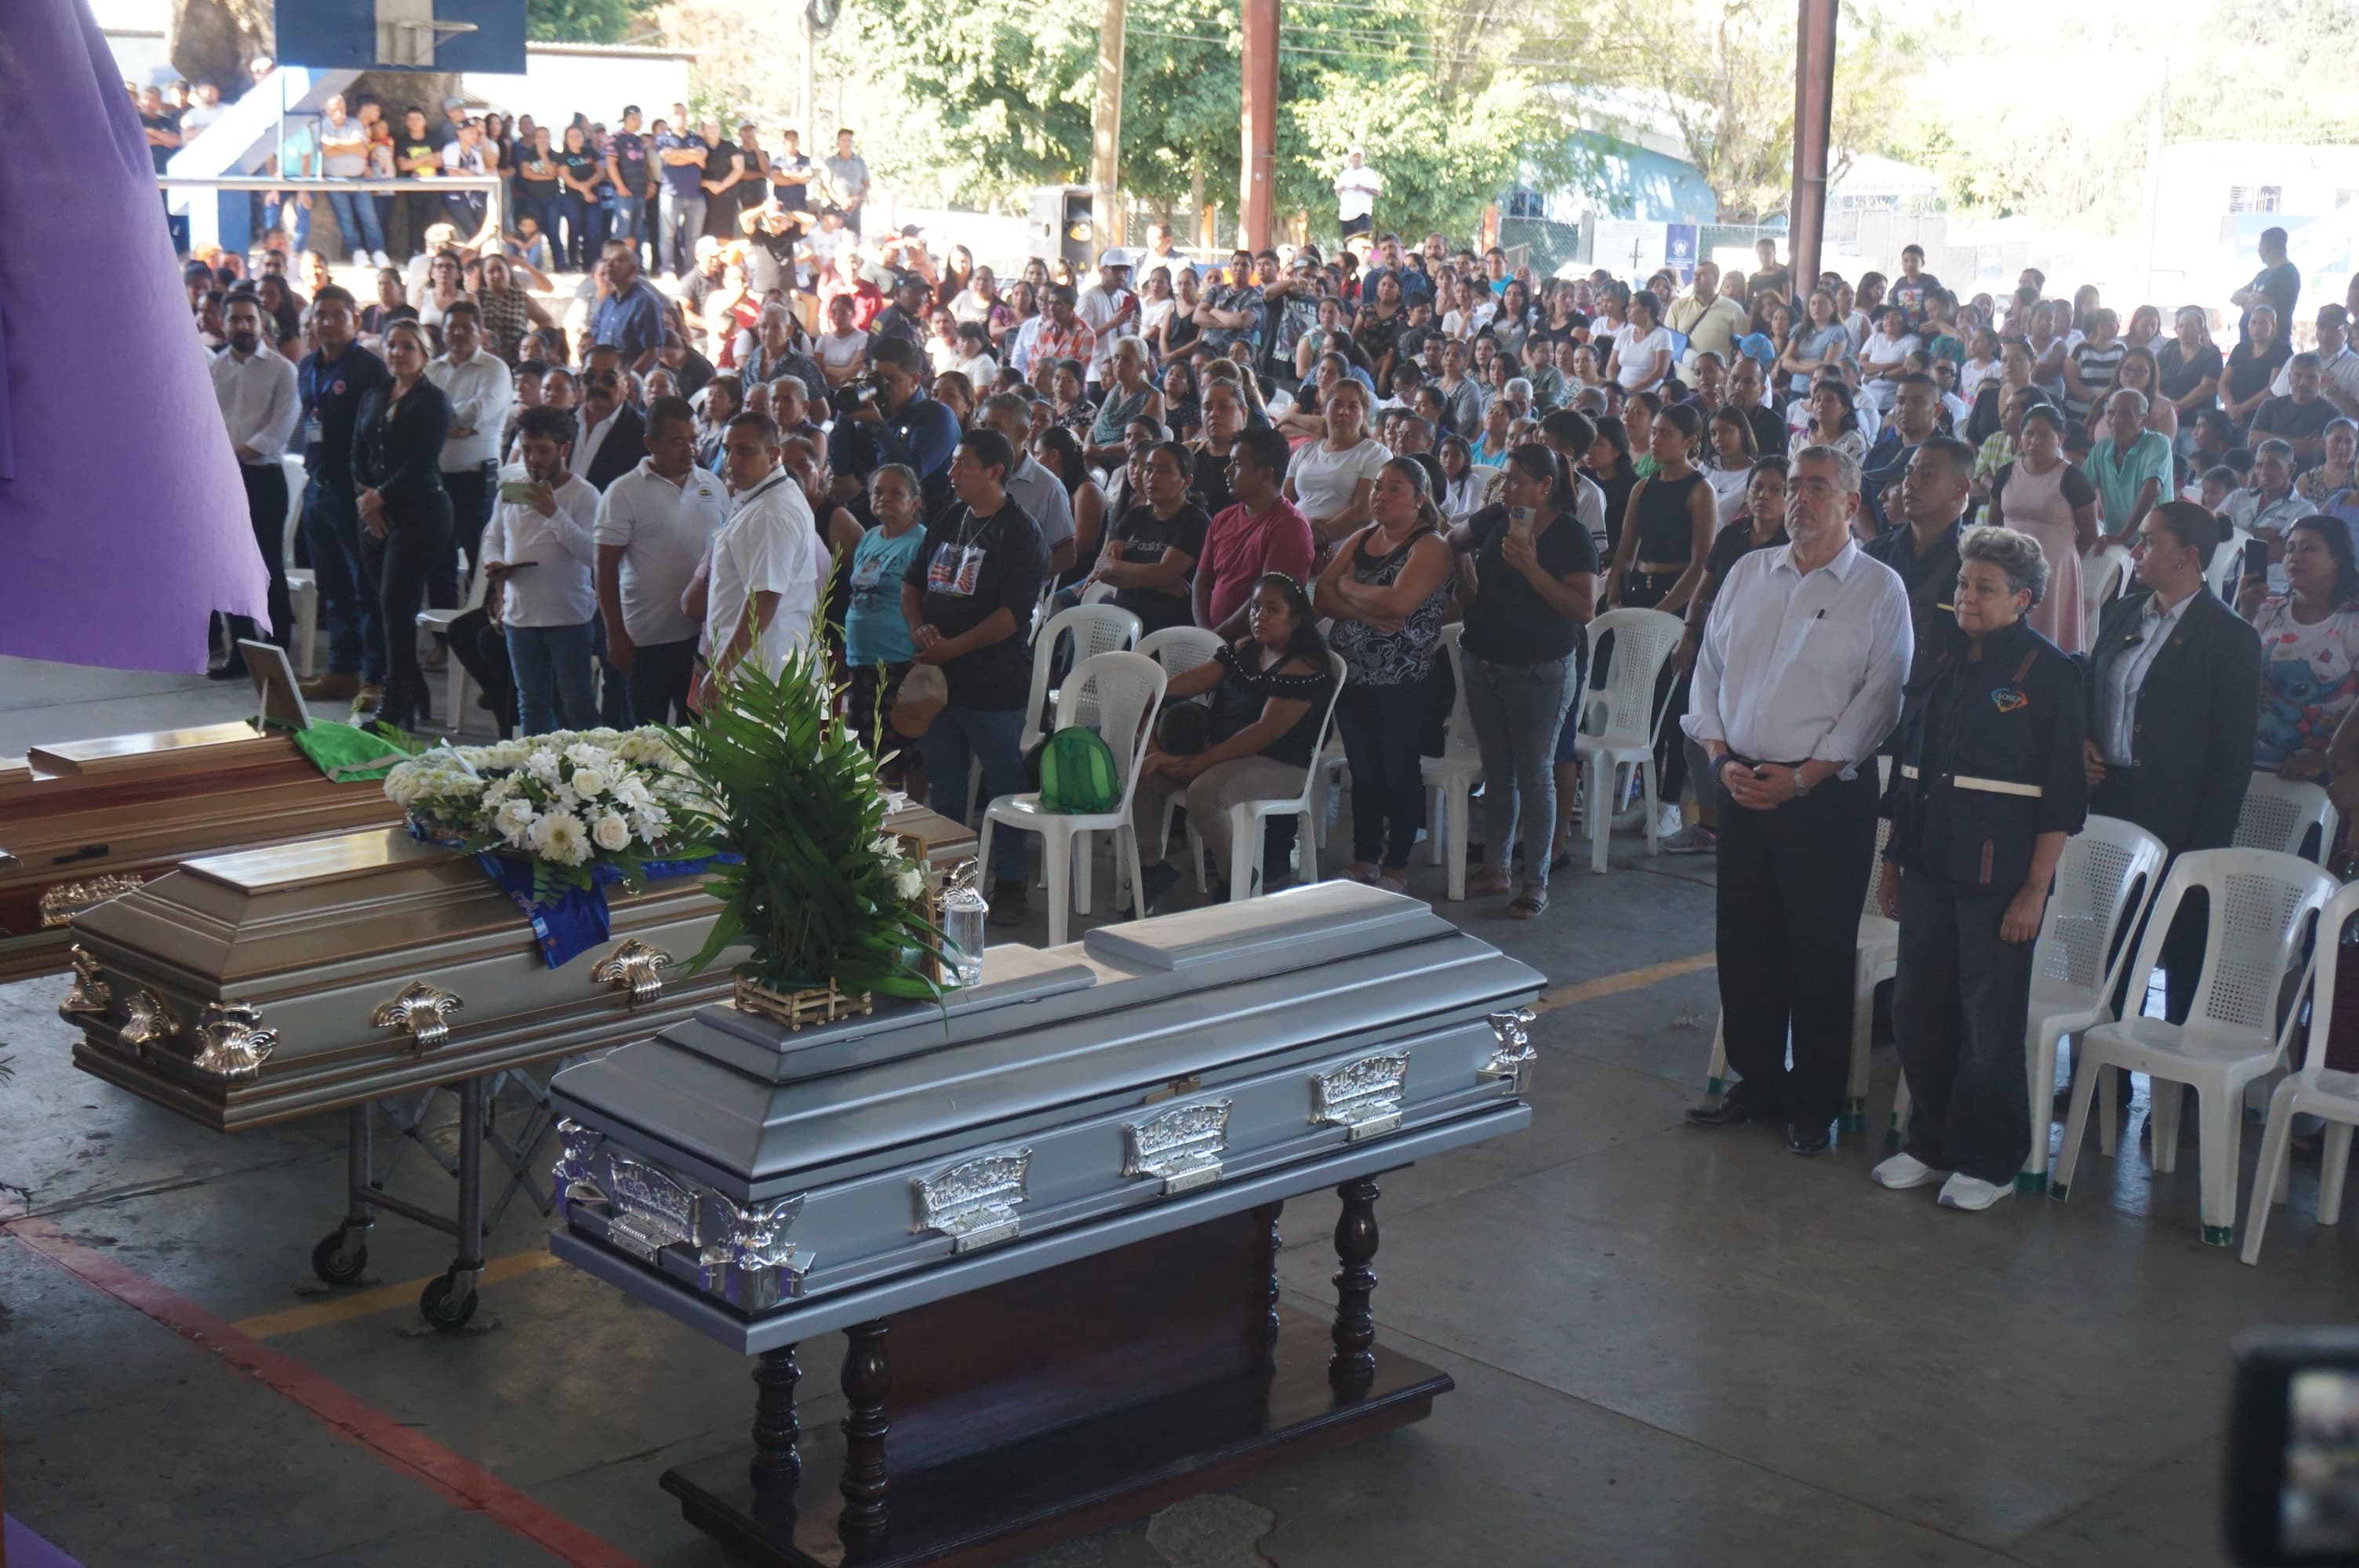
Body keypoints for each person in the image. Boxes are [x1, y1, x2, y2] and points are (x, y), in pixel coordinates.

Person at [1681, 444, 1913, 1156]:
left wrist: (1806, 775)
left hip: (1825, 798)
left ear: (1851, 503)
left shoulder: (1878, 589)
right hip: (1742, 784)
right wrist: (1719, 757)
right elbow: (1708, 675)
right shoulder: (1751, 572)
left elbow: (1881, 701)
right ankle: (1757, 1085)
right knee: (1746, 945)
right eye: (1791, 489)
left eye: (1818, 488)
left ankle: (1814, 1103)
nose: (1799, 500)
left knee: (1818, 953)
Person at [1874, 525, 2088, 1210]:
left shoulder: (2048, 674)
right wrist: (1892, 863)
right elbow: (1909, 773)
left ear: (2022, 599)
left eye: (1984, 588)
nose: (1967, 596)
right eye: (1964, 584)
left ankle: (1990, 1160)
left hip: (1999, 879)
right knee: (1918, 1008)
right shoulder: (1941, 660)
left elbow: (2061, 798)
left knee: (1987, 1019)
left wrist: (2035, 890)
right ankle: (1931, 1145)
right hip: (1930, 860)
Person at [2084, 501, 2260, 1025]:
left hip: (2177, 811)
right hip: (2108, 797)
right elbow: (2089, 685)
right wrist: (2082, 739)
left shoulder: (2229, 637)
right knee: (2107, 933)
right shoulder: (2123, 611)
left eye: (2148, 540)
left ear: (2186, 556)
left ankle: (2178, 1084)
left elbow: (2233, 753)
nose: (2135, 550)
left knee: (2180, 938)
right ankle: (2101, 1060)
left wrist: (2208, 842)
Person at [900, 430, 1050, 924]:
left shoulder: (1020, 533)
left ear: (995, 471)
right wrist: (919, 628)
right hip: (940, 682)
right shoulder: (951, 517)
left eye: (963, 464)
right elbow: (912, 585)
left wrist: (953, 648)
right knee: (945, 783)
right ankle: (948, 879)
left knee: (1002, 785)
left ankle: (1010, 883)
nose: (951, 473)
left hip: (992, 682)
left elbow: (1012, 614)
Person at [1448, 443, 1600, 916]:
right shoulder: (1497, 518)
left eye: (1516, 479)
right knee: (1498, 772)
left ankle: (1535, 879)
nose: (1506, 487)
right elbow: (1452, 539)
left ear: (1545, 486)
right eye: (1504, 477)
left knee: (1536, 775)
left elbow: (1582, 609)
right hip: (1485, 659)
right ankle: (1496, 868)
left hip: (1541, 669)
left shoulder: (1571, 536)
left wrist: (1531, 568)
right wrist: (1466, 580)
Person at [1133, 573, 1339, 907]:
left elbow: (1261, 734)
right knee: (1145, 773)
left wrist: (1195, 764)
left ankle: (1237, 878)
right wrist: (1154, 694)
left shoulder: (1304, 668)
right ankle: (1149, 865)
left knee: (1204, 794)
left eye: (1273, 609)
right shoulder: (1245, 649)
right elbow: (1202, 677)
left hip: (1280, 763)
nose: (1260, 616)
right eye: (1256, 607)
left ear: (1296, 619)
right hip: (1225, 751)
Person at [1314, 457, 1456, 891]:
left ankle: (1396, 864)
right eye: (1378, 487)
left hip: (1404, 682)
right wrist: (1364, 608)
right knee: (1364, 770)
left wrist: (1353, 589)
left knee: (1398, 770)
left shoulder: (1430, 545)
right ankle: (1365, 857)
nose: (1382, 496)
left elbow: (1398, 604)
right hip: (1354, 679)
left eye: (1395, 489)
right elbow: (1321, 595)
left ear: (1419, 499)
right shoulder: (1362, 537)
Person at [1667, 456, 1793, 855]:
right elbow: (1703, 591)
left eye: (1777, 489)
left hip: (1762, 658)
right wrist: (1689, 634)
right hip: (1716, 648)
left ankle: (1741, 829)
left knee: (1745, 741)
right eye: (1758, 487)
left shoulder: (1792, 545)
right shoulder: (1733, 535)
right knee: (1697, 736)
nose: (1765, 497)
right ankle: (1709, 826)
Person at [594, 395, 727, 725]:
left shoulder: (712, 485)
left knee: (694, 734)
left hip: (699, 638)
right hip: (644, 639)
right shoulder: (623, 492)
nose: (690, 450)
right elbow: (605, 568)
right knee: (644, 737)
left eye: (695, 440)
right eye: (677, 441)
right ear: (650, 443)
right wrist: (615, 634)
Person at [294, 286, 394, 709]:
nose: (329, 322)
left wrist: (372, 491)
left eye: (338, 315)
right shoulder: (306, 366)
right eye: (322, 315)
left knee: (366, 588)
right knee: (333, 587)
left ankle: (376, 676)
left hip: (355, 494)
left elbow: (378, 437)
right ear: (312, 321)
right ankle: (341, 669)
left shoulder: (369, 370)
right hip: (318, 489)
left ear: (354, 320)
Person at [351, 321, 453, 730]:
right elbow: (356, 452)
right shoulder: (374, 395)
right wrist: (368, 500)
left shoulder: (433, 401)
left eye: (407, 347)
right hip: (375, 512)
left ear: (424, 355)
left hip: (422, 512)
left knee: (397, 603)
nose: (397, 353)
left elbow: (423, 460)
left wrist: (383, 495)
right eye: (391, 345)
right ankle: (414, 691)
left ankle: (395, 705)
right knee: (387, 605)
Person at [478, 404, 601, 735]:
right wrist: (495, 563)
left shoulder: (583, 495)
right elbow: (493, 537)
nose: (533, 459)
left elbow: (592, 555)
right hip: (521, 615)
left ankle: (592, 775)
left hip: (568, 617)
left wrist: (554, 513)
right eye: (527, 449)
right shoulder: (513, 487)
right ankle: (537, 775)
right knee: (531, 703)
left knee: (576, 702)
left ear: (564, 449)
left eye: (543, 450)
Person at [699, 411, 824, 703]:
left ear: (773, 455)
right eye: (727, 450)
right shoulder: (767, 494)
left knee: (750, 750)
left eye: (745, 451)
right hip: (756, 664)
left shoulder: (771, 512)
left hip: (760, 673)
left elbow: (765, 597)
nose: (731, 461)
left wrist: (721, 670)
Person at [207, 293, 302, 675]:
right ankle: (242, 653)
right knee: (229, 566)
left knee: (266, 565)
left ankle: (276, 650)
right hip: (221, 481)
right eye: (236, 319)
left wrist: (237, 455)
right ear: (225, 323)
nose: (243, 326)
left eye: (250, 319)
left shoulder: (281, 369)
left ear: (262, 324)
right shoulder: (214, 369)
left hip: (262, 476)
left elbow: (280, 427)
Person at [2236, 514, 2359, 780]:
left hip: (2324, 769)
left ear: (2338, 557)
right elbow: (2229, 673)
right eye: (2290, 548)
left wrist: (2324, 758)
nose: (2295, 556)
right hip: (2249, 758)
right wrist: (2244, 613)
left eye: (2309, 549)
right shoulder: (2267, 609)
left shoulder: (2352, 622)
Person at [1985, 405, 2097, 654]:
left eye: (2044, 435)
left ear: (2061, 438)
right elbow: (1994, 524)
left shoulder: (2073, 479)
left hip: (2055, 571)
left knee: (2047, 636)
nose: (2034, 441)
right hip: (2009, 566)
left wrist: (2061, 562)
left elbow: (2090, 535)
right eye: (2029, 433)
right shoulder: (2006, 473)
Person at [423, 300, 511, 608]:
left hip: (476, 483)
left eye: (466, 327)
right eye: (452, 327)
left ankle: (483, 639)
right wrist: (451, 425)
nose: (458, 333)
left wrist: (439, 421)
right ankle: (440, 641)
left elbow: (478, 411)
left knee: (483, 562)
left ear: (480, 332)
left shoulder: (494, 369)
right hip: (436, 481)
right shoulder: (432, 369)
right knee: (439, 560)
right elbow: (418, 414)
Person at [1863, 435, 1975, 672]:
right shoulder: (1876, 553)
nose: (1910, 483)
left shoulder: (1975, 563)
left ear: (1961, 488)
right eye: (1908, 472)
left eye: (1926, 474)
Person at [1195, 426, 1316, 641]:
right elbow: (1202, 581)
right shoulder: (1223, 518)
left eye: (1238, 464)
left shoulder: (1289, 526)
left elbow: (1268, 603)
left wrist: (1217, 637)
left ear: (1266, 474)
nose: (1228, 470)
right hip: (1214, 639)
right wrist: (1205, 634)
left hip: (1258, 644)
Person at [844, 464, 929, 759]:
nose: (885, 498)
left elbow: (928, 598)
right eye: (878, 491)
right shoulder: (869, 538)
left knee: (904, 752)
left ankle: (911, 806)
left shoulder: (921, 541)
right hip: (861, 657)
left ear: (914, 502)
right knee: (867, 751)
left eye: (896, 493)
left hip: (899, 659)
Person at [1087, 441, 1207, 636]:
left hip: (1167, 630)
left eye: (1164, 471)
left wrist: (1115, 565)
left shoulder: (1195, 522)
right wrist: (1158, 583)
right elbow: (1104, 573)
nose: (1152, 477)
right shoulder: (1134, 517)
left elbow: (1163, 572)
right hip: (1122, 622)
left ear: (1187, 480)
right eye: (1148, 470)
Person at [1286, 376, 1390, 561]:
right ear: (1324, 410)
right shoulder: (1305, 451)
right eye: (1337, 405)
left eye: (1353, 407)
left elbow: (1364, 511)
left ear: (1364, 414)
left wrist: (1318, 535)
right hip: (1295, 542)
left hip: (1342, 552)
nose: (1344, 412)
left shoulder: (1375, 454)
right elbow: (1285, 502)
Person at [979, 393, 1078, 575]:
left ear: (1022, 433)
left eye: (995, 428)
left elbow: (1066, 555)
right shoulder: (973, 474)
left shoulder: (1047, 486)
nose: (985, 435)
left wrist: (1023, 583)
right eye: (983, 425)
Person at [2086, 387, 2173, 548]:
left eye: (2126, 414)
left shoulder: (2157, 443)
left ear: (2144, 420)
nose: (2116, 420)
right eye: (2111, 413)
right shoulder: (2102, 448)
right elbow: (2081, 491)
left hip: (2154, 545)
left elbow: (2152, 489)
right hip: (2116, 542)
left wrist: (2123, 536)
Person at [317, 95, 389, 266]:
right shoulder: (320, 125)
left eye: (342, 109)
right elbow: (326, 151)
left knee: (369, 216)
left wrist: (334, 143)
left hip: (359, 178)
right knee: (345, 218)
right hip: (334, 180)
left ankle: (378, 251)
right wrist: (349, 147)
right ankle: (357, 252)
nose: (340, 114)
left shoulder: (355, 124)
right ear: (326, 110)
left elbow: (361, 148)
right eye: (335, 110)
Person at [575, 350, 649, 493]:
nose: (597, 385)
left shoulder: (645, 433)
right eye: (590, 377)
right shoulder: (561, 424)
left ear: (628, 385)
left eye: (608, 379)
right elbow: (531, 480)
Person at [587, 242, 667, 371]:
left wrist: (629, 376)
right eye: (608, 261)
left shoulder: (645, 302)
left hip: (631, 380)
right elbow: (596, 334)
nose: (610, 265)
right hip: (607, 377)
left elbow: (653, 350)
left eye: (618, 261)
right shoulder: (608, 301)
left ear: (633, 269)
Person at [2252, 353, 2339, 467]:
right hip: (2267, 475)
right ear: (2289, 377)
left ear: (2321, 380)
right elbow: (2253, 441)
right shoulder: (2269, 406)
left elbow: (2315, 450)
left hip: (2309, 479)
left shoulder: (2332, 414)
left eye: (2311, 377)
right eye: (2298, 375)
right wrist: (2300, 444)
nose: (2303, 382)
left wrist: (2266, 439)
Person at [2223, 305, 2290, 439]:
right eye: (2253, 322)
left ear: (2273, 327)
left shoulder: (2282, 350)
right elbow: (2223, 382)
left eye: (2263, 323)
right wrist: (2232, 408)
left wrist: (2241, 409)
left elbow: (2272, 389)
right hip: (2233, 416)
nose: (2257, 327)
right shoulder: (2240, 348)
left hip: (2263, 418)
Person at [1669, 261, 1747, 368]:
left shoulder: (1735, 310)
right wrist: (1687, 356)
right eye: (1695, 274)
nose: (1696, 278)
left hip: (1719, 381)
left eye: (1702, 274)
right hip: (1682, 381)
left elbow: (1742, 349)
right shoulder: (1677, 306)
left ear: (1715, 279)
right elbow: (1667, 340)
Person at [2231, 226, 2302, 342]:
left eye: (2259, 246)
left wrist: (2250, 300)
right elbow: (2235, 297)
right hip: (2249, 346)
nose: (2258, 250)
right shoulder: (2262, 274)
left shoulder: (2287, 274)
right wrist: (2251, 297)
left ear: (2266, 247)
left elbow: (2259, 304)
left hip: (2273, 346)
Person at [1605, 291, 1673, 396]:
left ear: (1646, 310)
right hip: (1620, 394)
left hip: (1649, 395)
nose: (1627, 310)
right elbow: (1611, 368)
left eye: (1633, 305)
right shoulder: (1624, 334)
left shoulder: (1663, 335)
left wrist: (1632, 390)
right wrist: (1617, 389)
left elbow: (1660, 372)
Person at [820, 128, 871, 234]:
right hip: (836, 207)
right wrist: (841, 201)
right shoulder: (831, 162)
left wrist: (856, 200)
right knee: (836, 237)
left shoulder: (859, 162)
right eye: (843, 140)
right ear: (838, 143)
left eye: (849, 140)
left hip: (855, 207)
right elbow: (826, 185)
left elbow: (867, 184)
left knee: (854, 237)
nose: (846, 143)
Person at [1334, 148, 1380, 238]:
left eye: (1359, 157)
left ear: (1362, 158)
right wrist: (1342, 188)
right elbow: (1337, 193)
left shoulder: (1369, 173)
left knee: (1362, 240)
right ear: (1350, 159)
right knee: (1347, 243)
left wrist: (1362, 188)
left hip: (1362, 213)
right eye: (1354, 157)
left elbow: (1378, 193)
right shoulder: (1344, 174)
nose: (1356, 159)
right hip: (1346, 215)